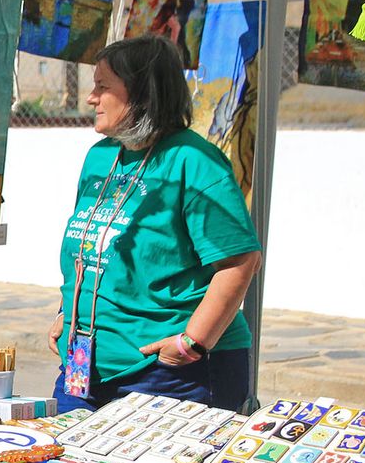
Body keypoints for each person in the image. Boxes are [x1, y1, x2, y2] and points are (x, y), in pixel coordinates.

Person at [48, 35, 261, 412]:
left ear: (142, 93)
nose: (90, 98)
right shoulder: (101, 158)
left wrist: (191, 343)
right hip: (84, 365)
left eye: (102, 87)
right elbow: (93, 246)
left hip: (171, 373)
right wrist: (69, 313)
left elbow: (238, 261)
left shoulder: (194, 162)